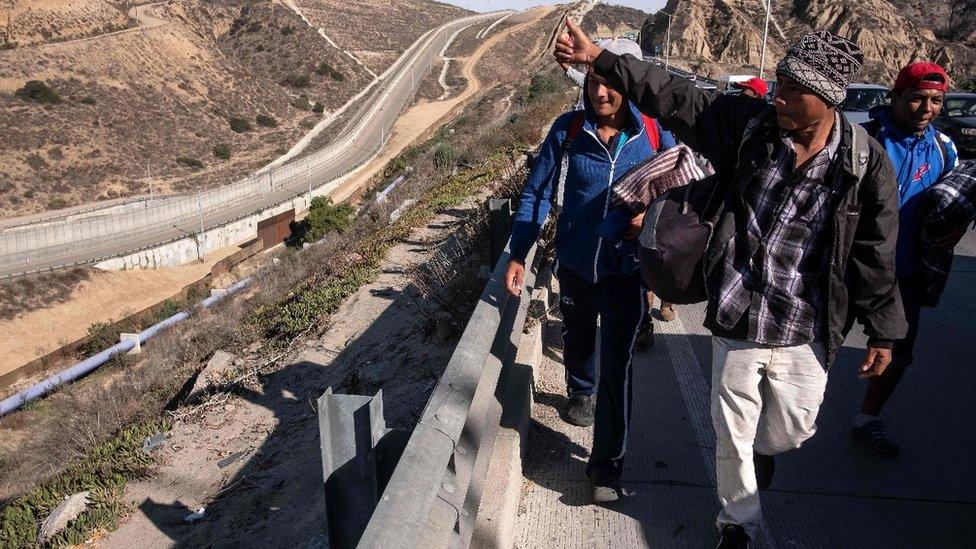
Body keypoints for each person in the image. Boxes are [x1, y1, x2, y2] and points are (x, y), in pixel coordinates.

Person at [556, 22, 907, 547]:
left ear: (828, 99)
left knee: (792, 428)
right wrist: (601, 60)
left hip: (805, 323)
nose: (780, 97)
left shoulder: (862, 163)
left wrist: (883, 328)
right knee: (731, 429)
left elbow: (874, 251)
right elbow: (675, 96)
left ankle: (763, 453)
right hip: (739, 306)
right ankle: (737, 523)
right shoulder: (749, 127)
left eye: (794, 90)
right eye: (780, 84)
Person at [505, 38, 676, 503]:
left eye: (610, 84)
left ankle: (606, 467)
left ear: (628, 84)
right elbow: (537, 193)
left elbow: (684, 189)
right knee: (579, 337)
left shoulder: (655, 134)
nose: (600, 94)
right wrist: (520, 251)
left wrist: (652, 217)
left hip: (627, 274)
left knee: (619, 368)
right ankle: (580, 385)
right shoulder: (568, 130)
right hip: (577, 267)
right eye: (593, 83)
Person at [852, 62, 959, 456]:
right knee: (814, 346)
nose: (925, 108)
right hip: (851, 270)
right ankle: (792, 415)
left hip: (906, 273)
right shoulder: (863, 139)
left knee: (895, 352)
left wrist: (958, 229)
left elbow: (958, 199)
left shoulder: (943, 149)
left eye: (935, 101)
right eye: (916, 98)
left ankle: (868, 418)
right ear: (895, 98)